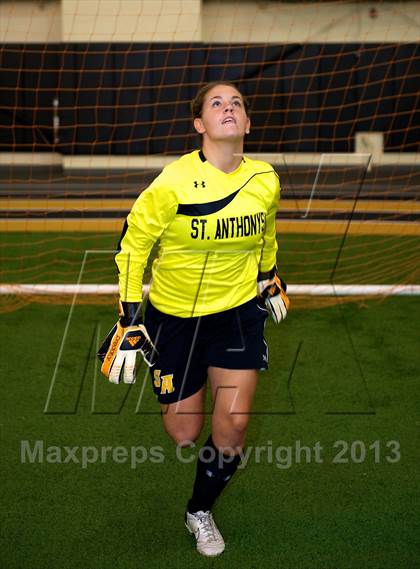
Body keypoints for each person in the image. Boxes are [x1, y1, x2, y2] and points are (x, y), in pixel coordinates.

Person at [97, 81, 290, 557]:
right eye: (217, 103)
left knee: (234, 427)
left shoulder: (265, 179)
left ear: (246, 123)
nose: (229, 108)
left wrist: (268, 276)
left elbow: (266, 233)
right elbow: (133, 245)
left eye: (237, 103)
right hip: (176, 318)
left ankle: (199, 510)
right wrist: (128, 315)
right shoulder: (172, 182)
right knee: (184, 433)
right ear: (201, 124)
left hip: (238, 315)